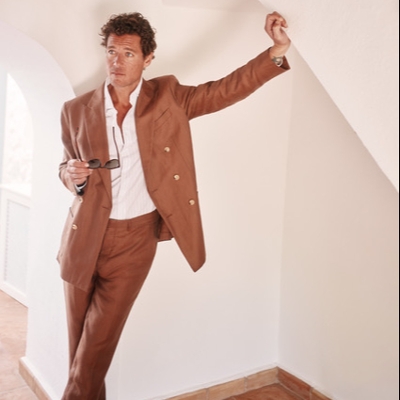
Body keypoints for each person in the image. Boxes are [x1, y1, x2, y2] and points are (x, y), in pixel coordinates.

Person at [57, 10, 291, 400]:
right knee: (80, 352)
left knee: (93, 350)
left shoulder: (169, 97)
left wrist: (276, 51)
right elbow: (65, 166)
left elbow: (224, 90)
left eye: (128, 54)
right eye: (112, 52)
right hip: (81, 241)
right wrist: (72, 176)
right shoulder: (75, 110)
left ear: (148, 58)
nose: (117, 62)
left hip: (133, 243)